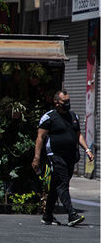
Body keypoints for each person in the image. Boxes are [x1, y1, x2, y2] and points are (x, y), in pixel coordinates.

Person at [32, 90, 94, 227]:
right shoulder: (49, 117)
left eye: (69, 101)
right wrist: (37, 157)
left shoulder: (73, 116)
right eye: (65, 102)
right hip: (55, 155)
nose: (68, 104)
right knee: (63, 183)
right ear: (56, 103)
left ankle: (47, 215)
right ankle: (71, 215)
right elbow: (40, 138)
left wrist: (87, 150)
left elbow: (79, 135)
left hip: (71, 156)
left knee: (56, 185)